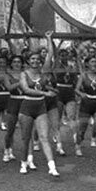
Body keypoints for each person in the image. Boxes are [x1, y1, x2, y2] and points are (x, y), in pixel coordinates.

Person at [17, 32, 60, 177]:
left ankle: (52, 166)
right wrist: (44, 94)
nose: (35, 61)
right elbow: (26, 89)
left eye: (37, 59)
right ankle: (24, 162)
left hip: (40, 107)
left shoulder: (43, 71)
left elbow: (50, 55)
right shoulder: (24, 74)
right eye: (32, 59)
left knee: (44, 137)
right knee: (26, 138)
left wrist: (48, 39)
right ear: (28, 61)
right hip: (27, 107)